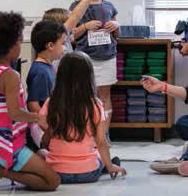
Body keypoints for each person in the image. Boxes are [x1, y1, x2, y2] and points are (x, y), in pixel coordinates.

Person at [0, 12, 60, 193]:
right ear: (11, 46)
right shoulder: (10, 75)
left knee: (42, 165)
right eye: (20, 42)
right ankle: (0, 171)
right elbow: (14, 113)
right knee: (52, 181)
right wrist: (37, 118)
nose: (21, 46)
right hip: (9, 144)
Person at [39, 52, 126, 183]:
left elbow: (47, 135)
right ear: (89, 78)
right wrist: (110, 166)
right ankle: (110, 164)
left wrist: (45, 146)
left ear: (60, 76)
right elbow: (101, 142)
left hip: (57, 173)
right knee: (98, 153)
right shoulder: (96, 105)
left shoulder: (51, 102)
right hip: (88, 173)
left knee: (41, 153)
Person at [69, 0, 119, 141]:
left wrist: (115, 26)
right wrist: (85, 26)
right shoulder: (77, 6)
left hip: (107, 57)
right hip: (86, 59)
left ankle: (103, 136)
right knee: (86, 97)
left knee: (105, 96)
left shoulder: (109, 6)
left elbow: (116, 33)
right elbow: (71, 36)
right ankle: (87, 135)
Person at [42, 0, 104, 69]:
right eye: (71, 27)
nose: (74, 29)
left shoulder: (63, 43)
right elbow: (75, 16)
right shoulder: (59, 44)